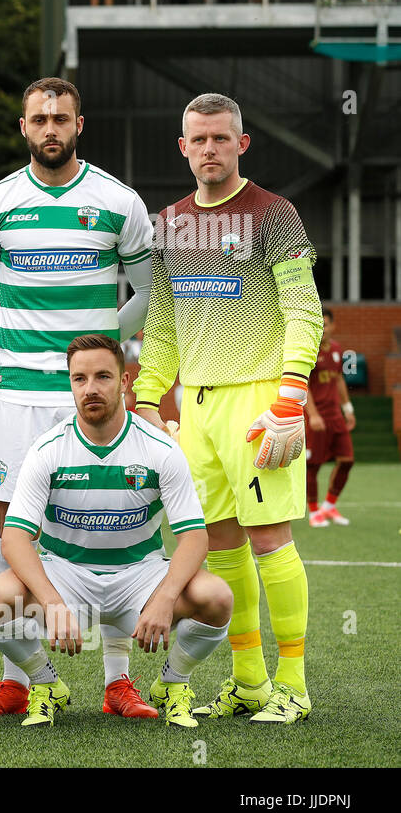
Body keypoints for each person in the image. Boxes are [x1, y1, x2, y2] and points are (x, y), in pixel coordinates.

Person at [0, 77, 155, 717]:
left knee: (109, 526)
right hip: (20, 395)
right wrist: (21, 343)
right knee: (10, 533)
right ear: (23, 127)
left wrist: (95, 351)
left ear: (79, 124)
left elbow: (146, 297)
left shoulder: (119, 201)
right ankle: (25, 678)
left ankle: (116, 681)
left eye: (61, 118)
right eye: (39, 119)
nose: (51, 129)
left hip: (96, 394)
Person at [134, 92, 322, 724]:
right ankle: (248, 681)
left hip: (261, 396)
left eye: (221, 138)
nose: (209, 149)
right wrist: (147, 394)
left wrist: (292, 395)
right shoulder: (168, 224)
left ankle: (292, 686)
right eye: (198, 140)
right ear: (183, 148)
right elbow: (161, 322)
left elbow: (303, 310)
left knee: (269, 538)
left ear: (242, 144)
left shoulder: (273, 214)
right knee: (218, 544)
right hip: (196, 407)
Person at [0, 334, 231, 727]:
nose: (90, 388)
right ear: (70, 384)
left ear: (124, 382)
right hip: (67, 575)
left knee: (216, 597)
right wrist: (50, 601)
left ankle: (173, 682)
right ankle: (46, 684)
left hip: (139, 576)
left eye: (102, 376)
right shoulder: (47, 449)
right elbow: (14, 537)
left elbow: (195, 536)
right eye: (79, 379)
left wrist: (166, 597)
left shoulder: (160, 448)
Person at [305, 309, 355, 527]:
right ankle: (314, 511)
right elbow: (303, 384)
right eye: (320, 325)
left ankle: (329, 506)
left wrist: (348, 409)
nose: (323, 329)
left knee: (347, 460)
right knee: (313, 465)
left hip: (336, 416)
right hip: (317, 418)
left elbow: (339, 381)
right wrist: (313, 415)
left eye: (326, 325)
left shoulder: (336, 349)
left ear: (333, 326)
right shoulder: (308, 350)